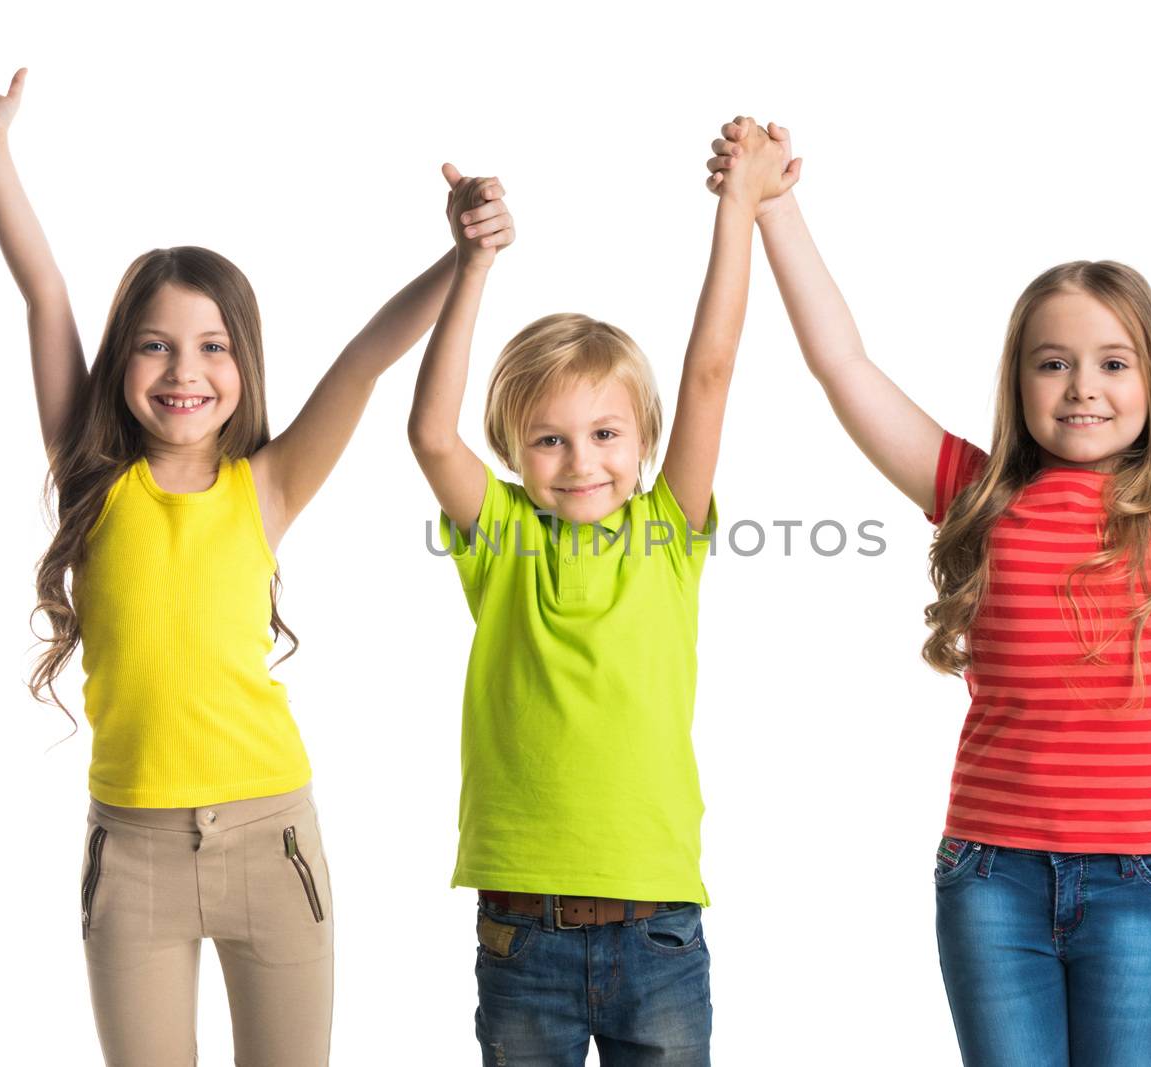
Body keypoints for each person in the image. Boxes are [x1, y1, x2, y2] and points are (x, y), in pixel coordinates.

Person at [706, 76, 1151, 1066]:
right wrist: (776, 207)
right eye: (1051, 362)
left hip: (1143, 882)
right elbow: (843, 364)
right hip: (992, 879)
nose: (1082, 387)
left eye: (1113, 362)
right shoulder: (974, 493)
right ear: (1016, 379)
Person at [0, 31, 508, 1066]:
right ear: (120, 364)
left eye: (211, 346)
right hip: (134, 853)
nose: (183, 370)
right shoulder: (91, 477)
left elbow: (372, 355)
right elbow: (47, 295)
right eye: (155, 343)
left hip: (271, 841)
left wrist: (465, 255)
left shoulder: (268, 485)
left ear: (243, 360)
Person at [408, 119, 791, 1065]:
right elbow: (428, 434)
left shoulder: (667, 533)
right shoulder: (502, 542)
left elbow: (712, 368)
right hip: (522, 934)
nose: (581, 461)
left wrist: (737, 208)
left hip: (656, 928)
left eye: (606, 434)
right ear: (514, 451)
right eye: (549, 438)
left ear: (644, 440)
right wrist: (472, 266)